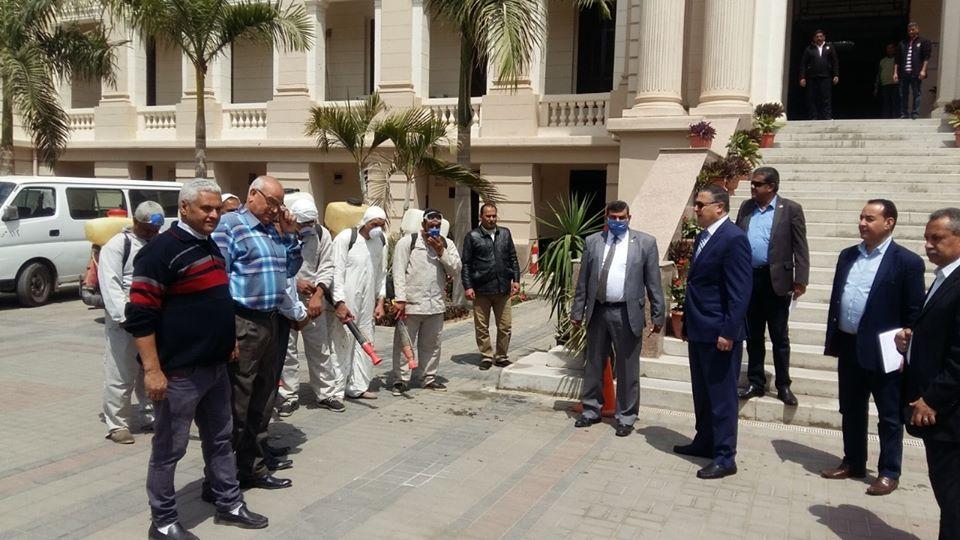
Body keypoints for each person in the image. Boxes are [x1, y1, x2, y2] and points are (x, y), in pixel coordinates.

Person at [125, 179, 268, 539]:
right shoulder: (160, 252)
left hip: (215, 368)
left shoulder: (210, 245)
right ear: (184, 208)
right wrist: (152, 370)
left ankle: (229, 503)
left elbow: (215, 301)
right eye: (206, 208)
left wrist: (228, 341)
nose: (214, 215)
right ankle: (163, 522)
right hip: (178, 374)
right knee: (168, 450)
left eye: (217, 208)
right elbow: (140, 315)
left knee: (220, 440)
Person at [820, 200, 925, 496]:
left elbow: (914, 311)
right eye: (861, 218)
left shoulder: (907, 262)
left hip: (885, 351)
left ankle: (889, 471)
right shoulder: (848, 255)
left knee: (889, 415)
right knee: (851, 409)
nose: (862, 223)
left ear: (889, 223)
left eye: (869, 218)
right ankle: (853, 461)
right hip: (849, 345)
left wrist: (906, 347)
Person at [212, 175, 302, 490]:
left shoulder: (272, 230)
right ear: (253, 195)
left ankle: (253, 467)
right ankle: (221, 478)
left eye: (281, 204)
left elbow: (290, 269)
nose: (276, 210)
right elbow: (218, 281)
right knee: (237, 403)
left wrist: (290, 235)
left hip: (271, 321)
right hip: (243, 322)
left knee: (263, 400)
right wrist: (226, 332)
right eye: (272, 202)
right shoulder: (230, 226)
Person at [674, 186, 752, 479]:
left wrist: (728, 331)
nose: (695, 209)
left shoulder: (734, 239)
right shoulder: (703, 237)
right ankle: (705, 440)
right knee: (703, 392)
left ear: (719, 207)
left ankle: (724, 456)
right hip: (699, 328)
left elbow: (740, 291)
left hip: (720, 331)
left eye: (700, 204)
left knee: (722, 396)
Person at [570, 200, 665, 438]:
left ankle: (626, 416)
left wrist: (658, 315)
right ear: (607, 217)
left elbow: (654, 282)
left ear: (629, 218)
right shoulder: (593, 242)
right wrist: (577, 312)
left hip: (626, 313)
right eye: (613, 217)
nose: (618, 221)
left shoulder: (645, 243)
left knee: (627, 367)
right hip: (598, 311)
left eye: (622, 217)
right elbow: (583, 281)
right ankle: (591, 410)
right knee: (594, 363)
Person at [898, 208, 960, 539]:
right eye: (926, 238)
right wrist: (911, 341)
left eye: (937, 238)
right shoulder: (943, 277)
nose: (929, 245)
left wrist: (932, 399)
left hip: (950, 415)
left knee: (954, 500)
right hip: (941, 413)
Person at [735, 167, 809, 406]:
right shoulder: (746, 207)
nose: (752, 187)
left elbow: (800, 246)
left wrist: (801, 279)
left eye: (757, 184)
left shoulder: (790, 209)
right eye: (752, 183)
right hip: (750, 278)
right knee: (754, 335)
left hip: (776, 280)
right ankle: (756, 381)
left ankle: (783, 385)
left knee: (779, 336)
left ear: (771, 187)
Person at [100, 200, 164, 444]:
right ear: (136, 222)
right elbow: (110, 283)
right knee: (121, 371)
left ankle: (149, 415)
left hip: (152, 318)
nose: (151, 233)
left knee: (149, 368)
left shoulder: (158, 243)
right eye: (147, 229)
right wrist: (124, 317)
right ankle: (117, 423)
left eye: (155, 230)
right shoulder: (118, 245)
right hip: (126, 319)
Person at [391, 208, 462, 395]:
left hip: (435, 305)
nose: (434, 228)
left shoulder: (447, 244)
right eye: (431, 225)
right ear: (423, 224)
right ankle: (401, 380)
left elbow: (456, 269)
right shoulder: (408, 242)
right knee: (404, 344)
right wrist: (400, 299)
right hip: (411, 304)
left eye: (438, 225)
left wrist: (441, 251)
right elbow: (398, 272)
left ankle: (428, 378)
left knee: (432, 345)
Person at [277, 198, 335, 416]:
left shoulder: (321, 234)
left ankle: (325, 393)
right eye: (303, 223)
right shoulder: (280, 234)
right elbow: (276, 265)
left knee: (320, 348)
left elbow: (327, 266)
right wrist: (296, 282)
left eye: (311, 222)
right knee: (287, 351)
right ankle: (288, 396)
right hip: (286, 300)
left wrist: (318, 295)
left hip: (313, 300)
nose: (308, 227)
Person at [327, 206, 388, 408]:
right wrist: (339, 302)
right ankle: (336, 391)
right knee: (342, 342)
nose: (377, 228)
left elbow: (381, 273)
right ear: (365, 222)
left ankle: (358, 387)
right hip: (347, 300)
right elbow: (336, 271)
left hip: (367, 301)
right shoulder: (347, 238)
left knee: (366, 339)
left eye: (381, 225)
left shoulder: (381, 241)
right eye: (374, 224)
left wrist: (380, 301)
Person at [462, 203, 521, 370]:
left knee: (505, 326)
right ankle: (486, 356)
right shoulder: (472, 236)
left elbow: (513, 258)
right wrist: (468, 286)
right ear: (481, 217)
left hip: (502, 288)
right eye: (488, 216)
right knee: (482, 327)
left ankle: (501, 356)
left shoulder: (505, 233)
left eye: (494, 216)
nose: (491, 219)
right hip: (481, 289)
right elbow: (466, 264)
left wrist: (516, 279)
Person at [894, 22, 932, 120]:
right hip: (904, 73)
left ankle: (915, 113)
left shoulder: (924, 41)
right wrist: (895, 73)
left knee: (916, 93)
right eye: (909, 30)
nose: (911, 32)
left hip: (916, 72)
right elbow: (897, 59)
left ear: (917, 30)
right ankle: (904, 113)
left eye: (913, 29)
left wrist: (923, 70)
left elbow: (926, 57)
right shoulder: (903, 43)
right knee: (903, 94)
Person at [799, 29, 840, 120]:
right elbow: (803, 64)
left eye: (821, 36)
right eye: (817, 37)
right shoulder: (809, 49)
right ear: (814, 38)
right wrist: (802, 77)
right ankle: (813, 117)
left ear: (824, 37)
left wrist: (836, 75)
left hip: (826, 77)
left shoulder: (830, 47)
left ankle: (827, 117)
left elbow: (835, 62)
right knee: (812, 98)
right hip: (812, 77)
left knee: (826, 98)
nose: (819, 38)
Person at [875, 44, 900, 119]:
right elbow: (879, 73)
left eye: (891, 48)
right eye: (888, 48)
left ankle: (895, 118)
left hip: (895, 84)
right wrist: (876, 86)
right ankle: (886, 118)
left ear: (894, 49)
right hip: (885, 84)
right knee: (886, 102)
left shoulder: (897, 60)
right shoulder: (882, 61)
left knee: (895, 102)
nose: (889, 50)